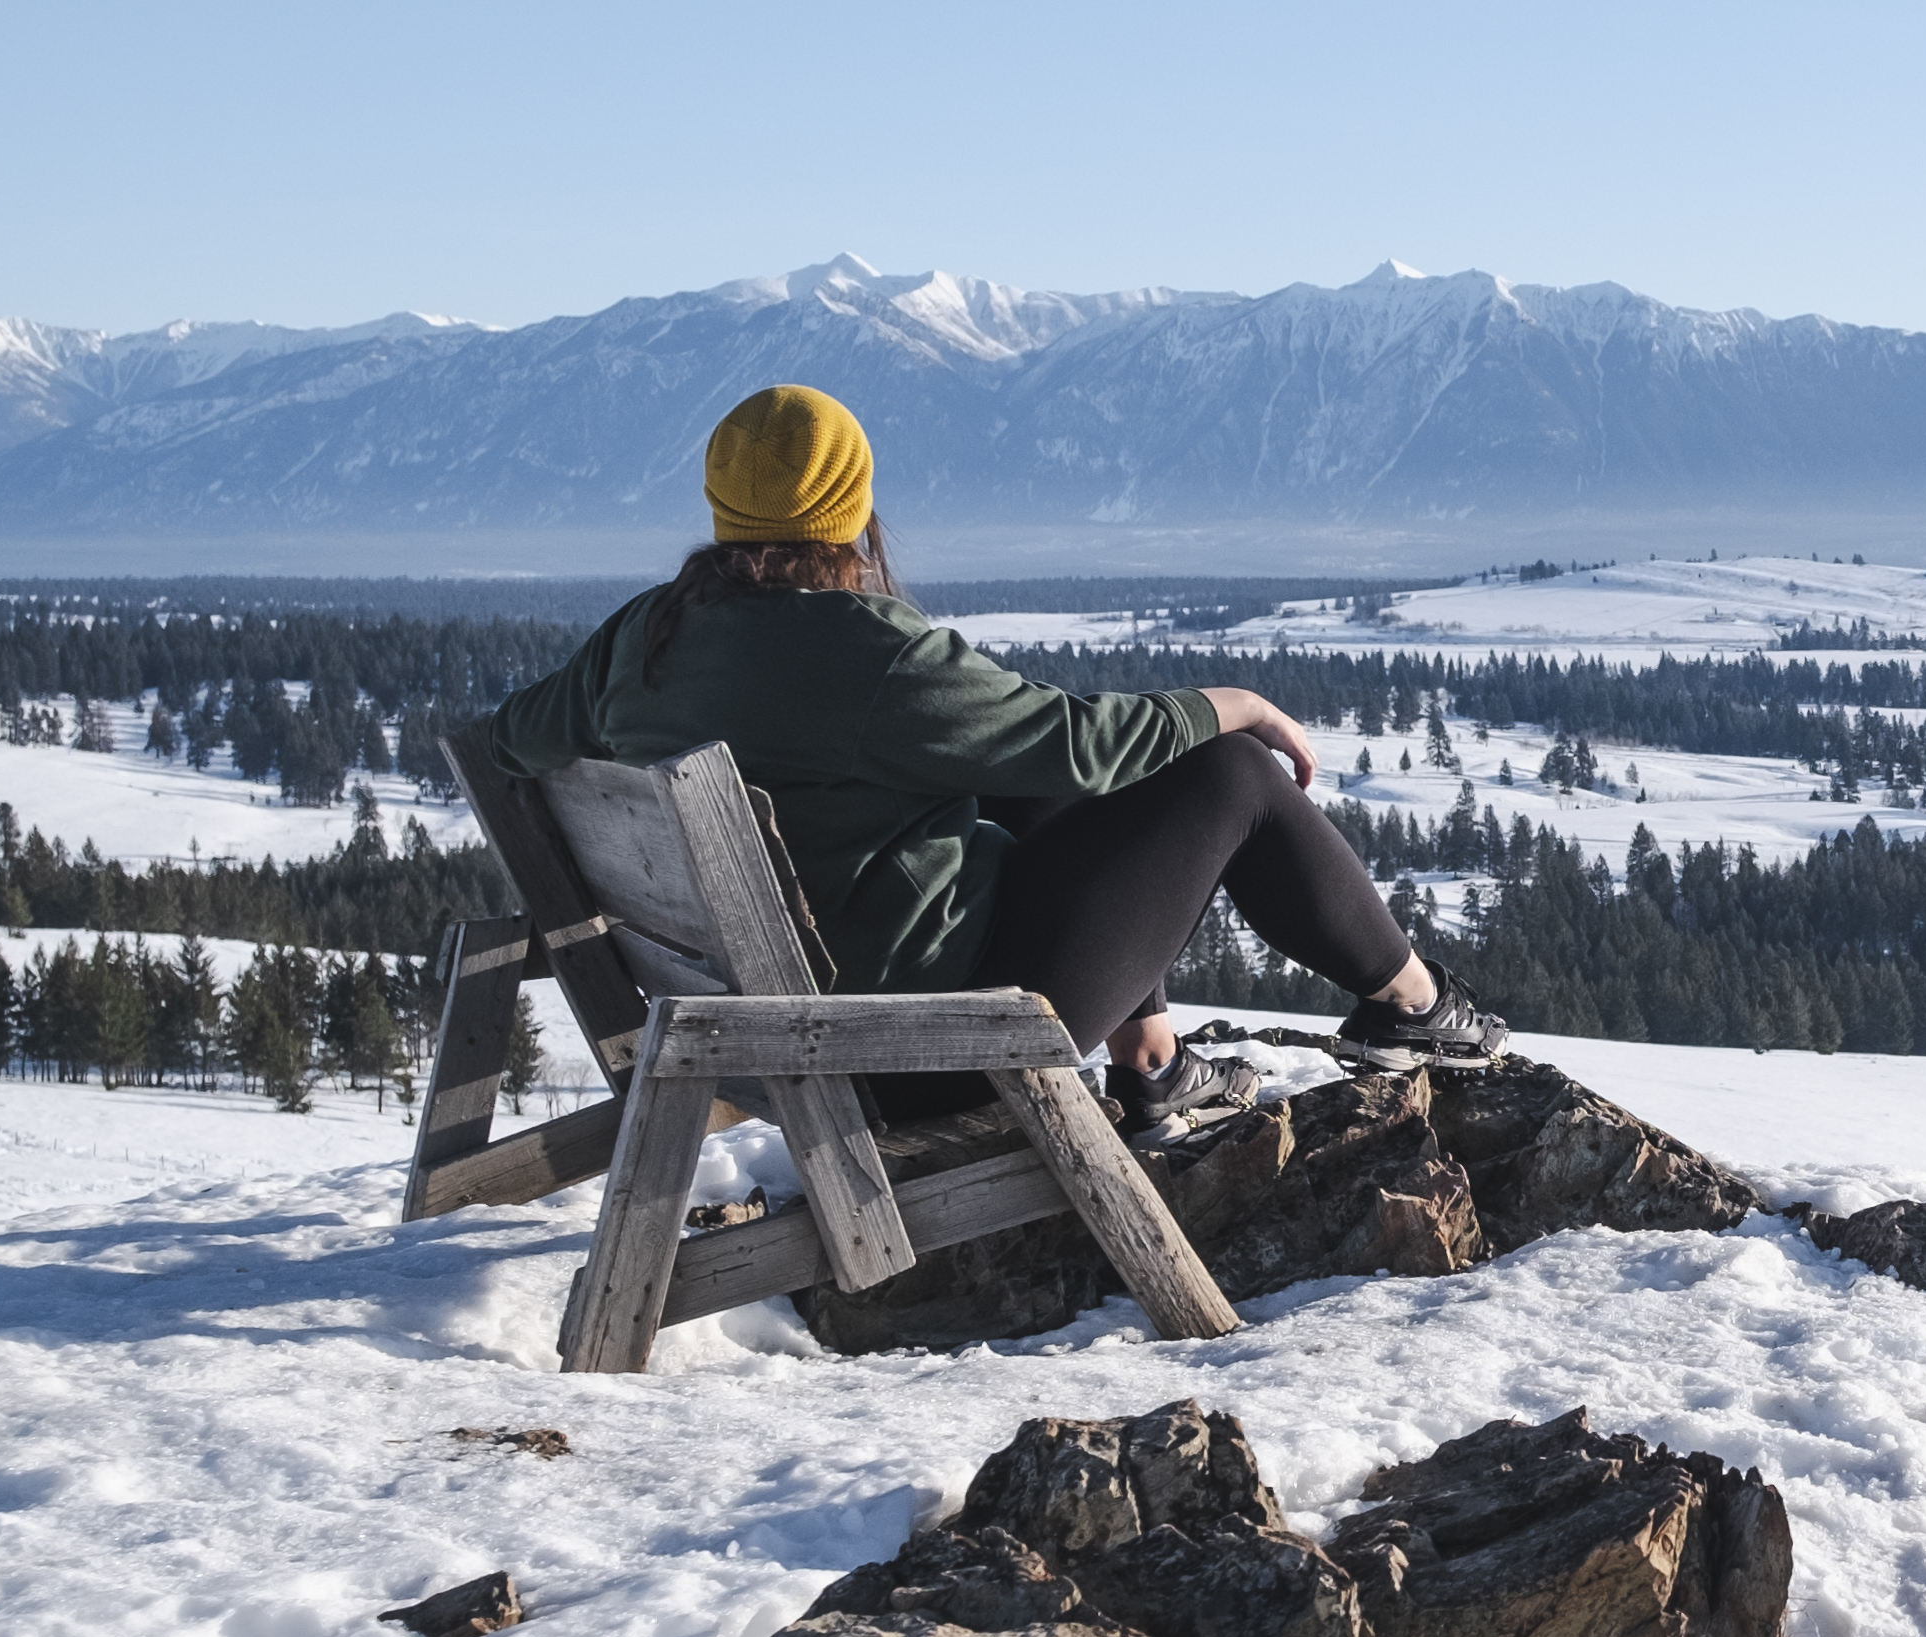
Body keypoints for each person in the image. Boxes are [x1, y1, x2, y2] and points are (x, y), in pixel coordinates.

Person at [484, 383, 1504, 1134]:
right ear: (849, 506)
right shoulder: (863, 648)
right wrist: (1234, 705)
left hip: (764, 1029)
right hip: (912, 1053)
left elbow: (512, 740)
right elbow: (1080, 742)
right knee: (1228, 776)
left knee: (1024, 785)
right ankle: (1413, 1005)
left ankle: (1152, 1066)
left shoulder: (646, 634)